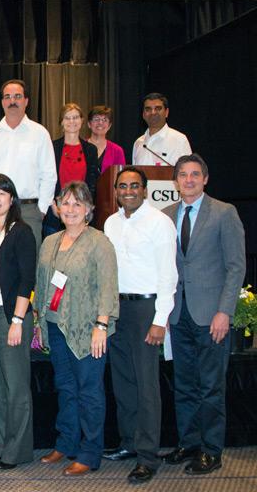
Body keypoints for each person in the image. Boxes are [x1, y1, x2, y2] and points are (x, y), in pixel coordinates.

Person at [161, 154, 245, 475]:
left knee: (211, 386)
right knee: (184, 384)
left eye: (195, 174)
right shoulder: (166, 216)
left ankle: (212, 449)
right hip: (179, 314)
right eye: (183, 175)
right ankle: (189, 442)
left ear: (205, 179)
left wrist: (225, 311)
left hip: (212, 315)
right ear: (176, 181)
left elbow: (236, 266)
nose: (189, 180)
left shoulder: (225, 213)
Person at [33, 181, 118, 477]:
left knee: (89, 392)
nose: (70, 209)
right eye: (65, 203)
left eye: (77, 204)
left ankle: (90, 452)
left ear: (89, 210)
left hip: (86, 330)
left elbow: (108, 286)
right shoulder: (50, 241)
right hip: (56, 327)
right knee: (65, 388)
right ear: (57, 207)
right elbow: (41, 286)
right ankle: (66, 442)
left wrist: (101, 325)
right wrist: (40, 323)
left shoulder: (99, 242)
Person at [102, 167, 178, 484]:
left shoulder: (160, 222)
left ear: (145, 190)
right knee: (123, 381)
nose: (129, 190)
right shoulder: (110, 223)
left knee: (147, 385)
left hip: (147, 308)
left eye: (135, 186)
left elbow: (168, 276)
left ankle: (148, 456)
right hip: (119, 308)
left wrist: (160, 320)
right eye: (123, 186)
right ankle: (129, 443)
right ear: (116, 191)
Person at [0, 173, 37, 470]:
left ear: (11, 198)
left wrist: (18, 319)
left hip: (10, 316)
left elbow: (28, 279)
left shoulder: (21, 231)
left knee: (16, 386)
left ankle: (18, 450)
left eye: (1, 193)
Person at [0, 80, 57, 251]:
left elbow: (49, 175)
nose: (12, 101)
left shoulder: (39, 133)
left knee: (28, 268)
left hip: (28, 211)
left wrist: (40, 210)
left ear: (26, 101)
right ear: (2, 102)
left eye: (17, 96)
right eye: (8, 97)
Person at [44, 103, 99, 237]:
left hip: (82, 212)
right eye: (67, 118)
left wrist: (85, 207)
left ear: (82, 121)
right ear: (61, 122)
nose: (72, 121)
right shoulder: (52, 147)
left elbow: (92, 183)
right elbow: (46, 178)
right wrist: (53, 206)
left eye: (75, 117)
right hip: (55, 212)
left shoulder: (91, 150)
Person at [132, 93, 192, 166]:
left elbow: (188, 171)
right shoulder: (138, 143)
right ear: (143, 115)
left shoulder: (179, 140)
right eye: (148, 109)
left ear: (166, 112)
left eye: (158, 109)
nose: (153, 113)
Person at [86, 105, 126, 172]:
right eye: (96, 119)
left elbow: (121, 176)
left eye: (104, 120)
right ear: (89, 124)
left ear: (109, 126)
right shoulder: (80, 147)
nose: (100, 123)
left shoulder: (117, 151)